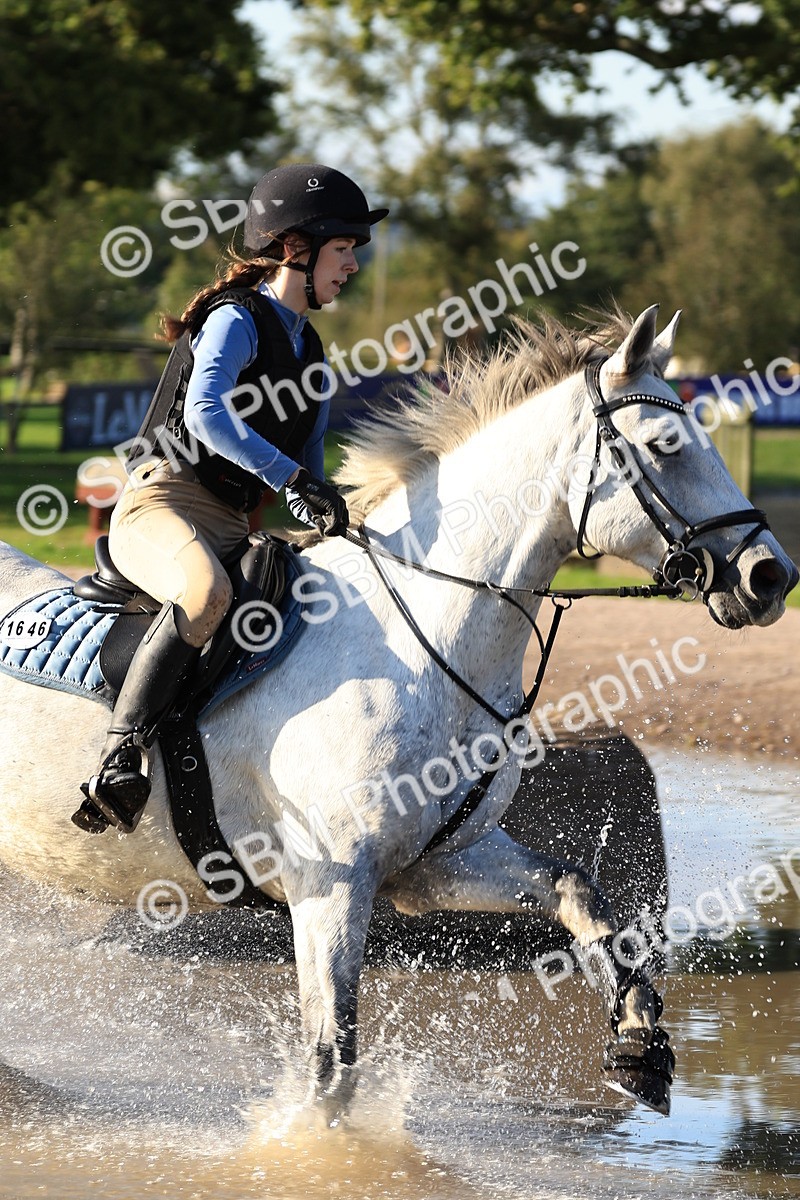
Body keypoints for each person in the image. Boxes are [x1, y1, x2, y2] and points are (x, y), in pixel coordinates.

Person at [73, 164, 388, 835]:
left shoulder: (311, 350)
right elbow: (209, 415)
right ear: (296, 250)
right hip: (160, 504)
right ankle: (118, 756)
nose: (354, 265)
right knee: (206, 594)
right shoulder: (235, 319)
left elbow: (309, 466)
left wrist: (330, 512)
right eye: (344, 250)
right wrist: (292, 480)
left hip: (230, 524)